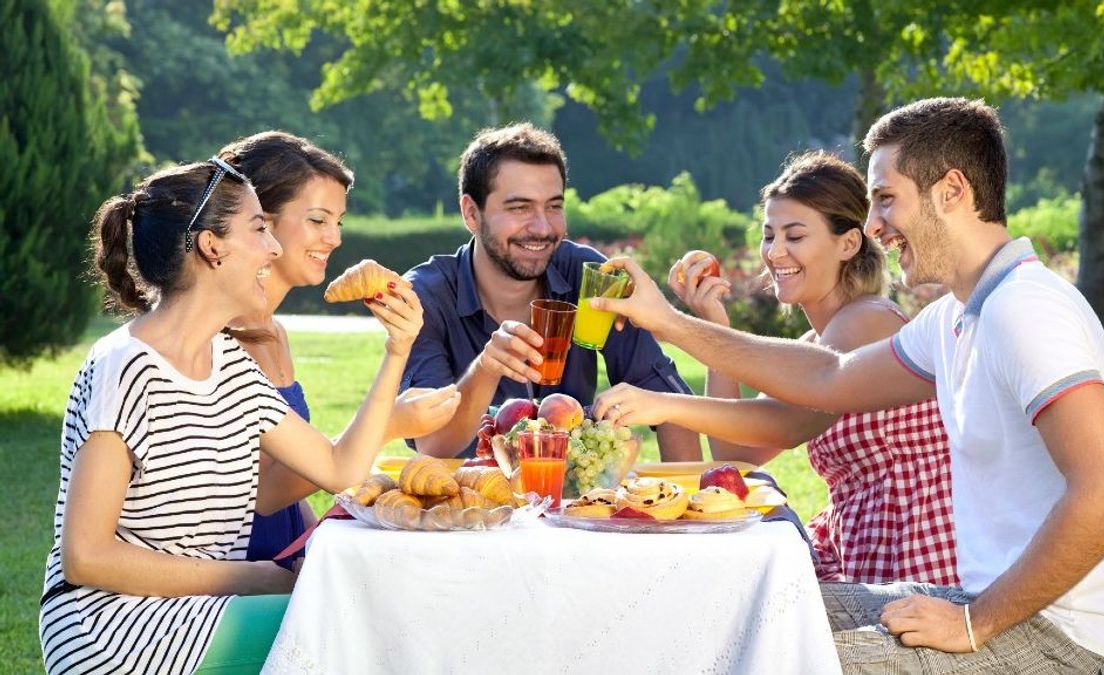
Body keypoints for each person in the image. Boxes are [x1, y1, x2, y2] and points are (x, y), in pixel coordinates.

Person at [591, 98, 1104, 672]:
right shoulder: (955, 317)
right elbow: (829, 377)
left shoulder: (1024, 309)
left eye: (885, 198)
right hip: (988, 606)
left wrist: (974, 623)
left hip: (1060, 642)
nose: (874, 225)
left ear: (951, 191)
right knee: (738, 615)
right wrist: (674, 323)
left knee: (778, 658)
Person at [39, 158, 423, 674]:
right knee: (357, 632)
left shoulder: (232, 366)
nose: (274, 248)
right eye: (259, 228)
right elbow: (86, 557)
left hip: (198, 614)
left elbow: (337, 468)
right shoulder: (125, 367)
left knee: (365, 623)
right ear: (211, 246)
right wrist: (255, 576)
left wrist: (397, 350)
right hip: (110, 626)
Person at [604, 151, 957, 586]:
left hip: (917, 557)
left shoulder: (869, 320)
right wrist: (717, 327)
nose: (775, 252)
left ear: (848, 243)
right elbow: (736, 458)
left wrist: (662, 404)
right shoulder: (817, 344)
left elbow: (786, 426)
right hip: (863, 548)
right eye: (769, 236)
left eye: (794, 236)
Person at [219, 131, 460, 569]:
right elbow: (262, 496)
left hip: (282, 559)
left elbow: (289, 495)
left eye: (339, 222)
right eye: (317, 220)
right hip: (237, 577)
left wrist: (314, 542)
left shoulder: (273, 333)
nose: (334, 239)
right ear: (260, 222)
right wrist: (388, 424)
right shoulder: (222, 336)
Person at [401, 123, 701, 460]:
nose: (543, 228)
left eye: (554, 206)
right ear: (471, 213)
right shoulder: (425, 296)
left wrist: (684, 503)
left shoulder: (588, 277)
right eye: (520, 208)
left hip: (572, 505)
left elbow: (671, 405)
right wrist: (486, 368)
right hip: (467, 505)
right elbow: (433, 444)